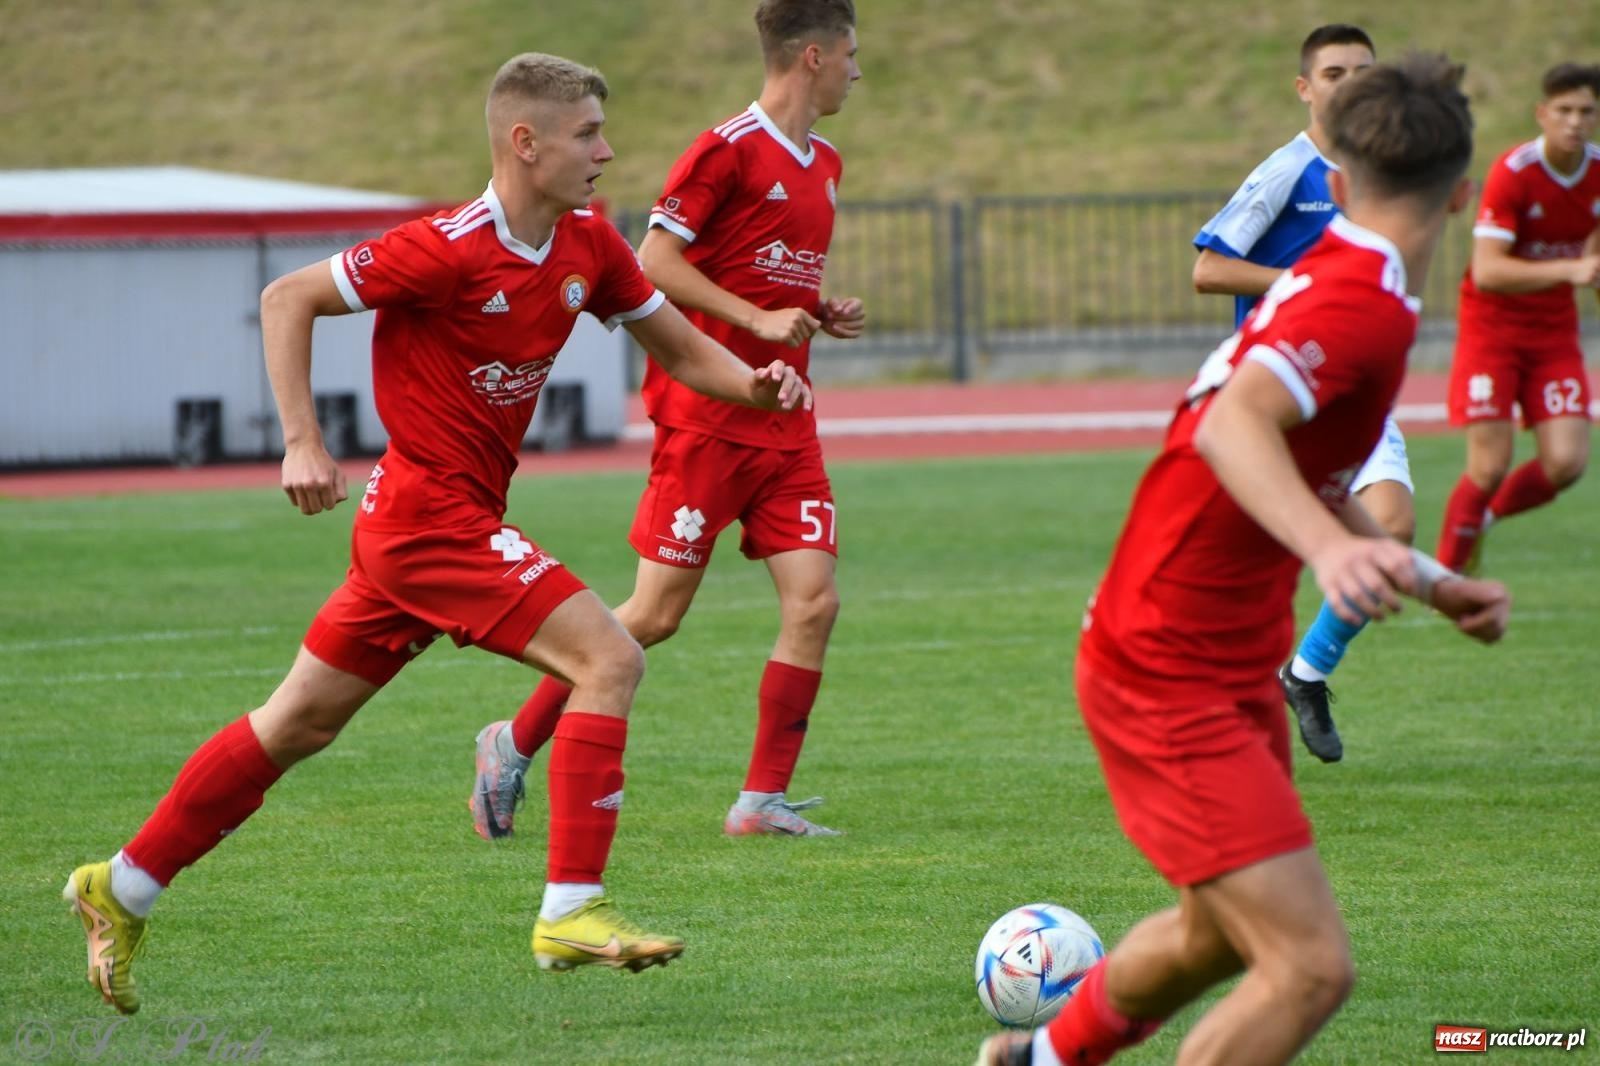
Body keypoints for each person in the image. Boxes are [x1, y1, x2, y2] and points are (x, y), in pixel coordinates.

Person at [63, 52, 816, 1014]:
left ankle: (120, 887)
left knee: (296, 724)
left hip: (426, 527)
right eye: (588, 134)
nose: (606, 152)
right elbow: (287, 297)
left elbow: (679, 349)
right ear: (525, 142)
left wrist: (753, 383)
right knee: (610, 657)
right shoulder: (446, 248)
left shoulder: (591, 245)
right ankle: (572, 909)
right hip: (429, 521)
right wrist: (302, 442)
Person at [979, 55, 1510, 1066]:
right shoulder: (1357, 299)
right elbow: (1234, 425)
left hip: (1220, 658)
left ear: (1338, 185)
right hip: (1165, 665)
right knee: (1309, 968)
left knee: (1218, 934)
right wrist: (1330, 551)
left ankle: (1034, 1059)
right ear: (1462, 195)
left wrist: (1430, 581)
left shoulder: (1351, 282)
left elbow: (1311, 470)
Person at [470, 0, 865, 843]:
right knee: (653, 616)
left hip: (785, 418)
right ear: (812, 57)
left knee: (815, 603)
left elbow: (765, 275)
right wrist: (757, 320)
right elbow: (654, 261)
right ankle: (513, 742)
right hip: (706, 420)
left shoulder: (826, 162)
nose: (856, 72)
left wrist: (812, 309)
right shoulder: (726, 150)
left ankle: (760, 802)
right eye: (850, 55)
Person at [1193, 24, 1407, 765]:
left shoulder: (1381, 173)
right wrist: (1309, 285)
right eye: (1335, 72)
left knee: (1393, 529)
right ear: (1305, 88)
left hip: (1354, 388)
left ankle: (1306, 674)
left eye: (1363, 72)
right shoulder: (1289, 169)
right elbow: (1209, 269)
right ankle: (1208, 709)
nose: (1351, 84)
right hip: (1278, 395)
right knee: (1246, 570)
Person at [1436, 62, 1600, 574]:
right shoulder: (1515, 172)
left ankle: (1484, 521)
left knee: (1567, 462)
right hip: (1493, 331)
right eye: (1564, 110)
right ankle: (1444, 579)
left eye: (1586, 111)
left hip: (1553, 333)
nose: (1574, 121)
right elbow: (1488, 271)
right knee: (1488, 466)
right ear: (1542, 113)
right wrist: (1572, 268)